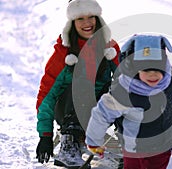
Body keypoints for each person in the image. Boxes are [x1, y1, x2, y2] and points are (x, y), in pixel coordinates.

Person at [35, 0, 120, 168]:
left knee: (120, 88)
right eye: (80, 18)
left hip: (98, 111)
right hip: (68, 109)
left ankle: (121, 145)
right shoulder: (63, 53)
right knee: (80, 84)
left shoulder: (109, 48)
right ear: (72, 23)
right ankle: (69, 144)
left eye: (91, 17)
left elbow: (126, 80)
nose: (87, 23)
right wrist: (45, 135)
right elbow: (47, 95)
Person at [85, 34, 172, 169]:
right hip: (135, 149)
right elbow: (101, 114)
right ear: (134, 68)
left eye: (157, 68)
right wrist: (94, 141)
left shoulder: (169, 79)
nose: (153, 75)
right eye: (146, 69)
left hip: (165, 143)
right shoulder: (123, 92)